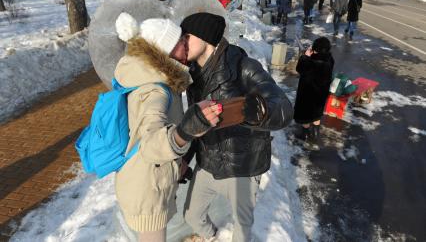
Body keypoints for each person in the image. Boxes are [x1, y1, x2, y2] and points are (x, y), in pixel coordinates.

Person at [179, 12, 293, 242]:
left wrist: (258, 110)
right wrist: (186, 158)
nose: (182, 41)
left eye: (187, 36)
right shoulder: (194, 76)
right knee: (191, 215)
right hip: (207, 163)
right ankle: (212, 238)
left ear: (205, 37)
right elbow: (197, 125)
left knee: (242, 230)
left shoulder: (242, 66)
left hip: (243, 166)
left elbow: (283, 107)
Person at [113, 17, 222, 242]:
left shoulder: (149, 77)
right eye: (183, 40)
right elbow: (152, 144)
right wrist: (187, 130)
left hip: (147, 179)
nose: (187, 44)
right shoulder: (155, 90)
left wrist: (177, 164)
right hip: (147, 189)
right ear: (168, 49)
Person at [294, 37, 334, 143]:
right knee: (317, 113)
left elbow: (299, 68)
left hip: (307, 94)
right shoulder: (329, 59)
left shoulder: (311, 62)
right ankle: (315, 133)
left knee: (305, 114)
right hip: (321, 93)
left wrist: (305, 56)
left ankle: (304, 134)